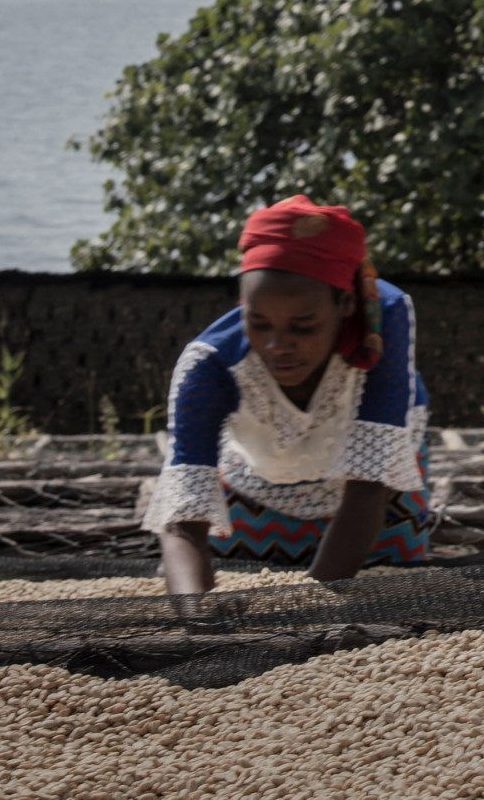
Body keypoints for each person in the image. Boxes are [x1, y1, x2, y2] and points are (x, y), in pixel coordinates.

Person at [142, 196, 431, 595]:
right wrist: (196, 612)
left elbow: (371, 483)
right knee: (234, 569)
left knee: (396, 582)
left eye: (304, 326)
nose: (279, 345)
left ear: (345, 305)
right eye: (259, 323)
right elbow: (183, 519)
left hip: (374, 501)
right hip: (259, 484)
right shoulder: (209, 366)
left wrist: (312, 602)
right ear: (242, 307)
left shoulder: (382, 322)